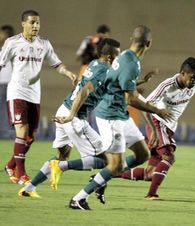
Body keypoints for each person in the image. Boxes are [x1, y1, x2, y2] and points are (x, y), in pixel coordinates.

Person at [52, 25, 173, 210]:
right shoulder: (131, 62)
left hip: (120, 114)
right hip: (110, 116)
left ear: (132, 39)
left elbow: (117, 83)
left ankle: (102, 176)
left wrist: (141, 82)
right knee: (114, 165)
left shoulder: (125, 56)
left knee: (142, 154)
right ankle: (79, 198)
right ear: (149, 43)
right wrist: (157, 110)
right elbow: (130, 98)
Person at [18, 38, 121, 198]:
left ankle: (29, 188)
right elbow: (84, 91)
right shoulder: (104, 70)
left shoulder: (94, 64)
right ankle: (60, 167)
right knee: (107, 161)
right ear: (109, 57)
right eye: (118, 55)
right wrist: (72, 116)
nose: (119, 58)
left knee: (62, 156)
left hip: (63, 109)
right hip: (74, 117)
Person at [121, 57, 195, 200]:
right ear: (182, 73)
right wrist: (153, 129)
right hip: (158, 122)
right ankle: (151, 194)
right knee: (169, 156)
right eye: (192, 77)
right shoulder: (167, 85)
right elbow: (145, 107)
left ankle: (111, 173)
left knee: (150, 174)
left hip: (169, 127)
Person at [0, 10, 77, 185]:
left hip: (34, 95)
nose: (35, 26)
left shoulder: (44, 44)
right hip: (16, 93)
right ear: (23, 24)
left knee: (30, 137)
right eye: (32, 22)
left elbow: (57, 64)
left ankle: (10, 165)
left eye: (38, 23)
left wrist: (68, 73)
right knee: (22, 131)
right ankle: (22, 174)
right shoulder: (12, 43)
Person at [0, 25, 15, 138]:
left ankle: (5, 132)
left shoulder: (12, 48)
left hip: (7, 82)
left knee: (6, 109)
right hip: (4, 82)